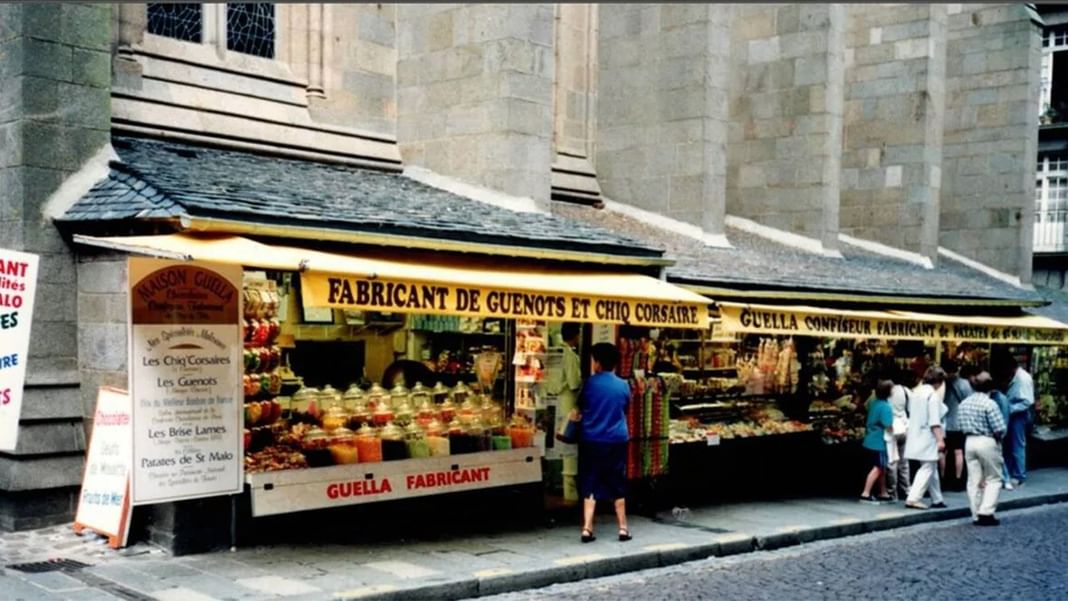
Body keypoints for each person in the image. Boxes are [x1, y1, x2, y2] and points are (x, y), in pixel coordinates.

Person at [577, 342, 631, 543]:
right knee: (617, 481)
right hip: (617, 439)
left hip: (592, 438)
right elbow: (625, 409)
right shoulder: (623, 385)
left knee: (590, 480)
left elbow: (582, 406)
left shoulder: (590, 384)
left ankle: (587, 528)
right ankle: (623, 528)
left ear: (598, 363)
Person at [959, 372, 1007, 526]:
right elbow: (999, 428)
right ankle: (986, 512)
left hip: (969, 441)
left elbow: (960, 425)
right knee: (994, 478)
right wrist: (999, 440)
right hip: (987, 440)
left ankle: (975, 513)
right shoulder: (990, 404)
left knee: (974, 480)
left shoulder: (964, 403)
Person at [547, 323, 583, 502]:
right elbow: (574, 382)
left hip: (551, 402)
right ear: (576, 335)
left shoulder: (552, 352)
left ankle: (553, 482)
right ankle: (569, 493)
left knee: (553, 444)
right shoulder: (570, 355)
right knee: (568, 444)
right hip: (567, 401)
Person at [904, 367, 948, 510]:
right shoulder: (932, 396)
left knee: (930, 466)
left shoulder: (916, 393)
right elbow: (934, 421)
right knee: (928, 467)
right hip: (927, 436)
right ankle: (913, 497)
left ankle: (937, 499)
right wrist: (940, 439)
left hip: (915, 433)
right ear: (940, 382)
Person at [860, 380, 895, 503]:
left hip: (870, 438)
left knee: (881, 467)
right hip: (879, 441)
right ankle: (866, 493)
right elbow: (888, 425)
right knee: (878, 468)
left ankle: (883, 492)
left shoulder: (873, 403)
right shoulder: (886, 407)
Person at [941, 361, 973, 491]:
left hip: (943, 422)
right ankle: (958, 480)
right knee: (958, 452)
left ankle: (942, 478)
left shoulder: (941, 384)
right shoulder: (965, 384)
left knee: (943, 452)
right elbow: (969, 401)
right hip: (959, 422)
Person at [1005, 358, 1035, 487]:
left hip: (1019, 415)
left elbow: (1027, 401)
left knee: (1018, 444)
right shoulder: (1018, 376)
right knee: (1014, 444)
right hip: (1016, 414)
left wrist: (1009, 409)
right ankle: (1014, 472)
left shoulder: (1022, 378)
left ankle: (1019, 475)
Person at [886, 370, 914, 501]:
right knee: (904, 462)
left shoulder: (886, 391)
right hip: (904, 427)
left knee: (892, 462)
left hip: (891, 428)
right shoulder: (906, 390)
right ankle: (907, 490)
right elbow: (912, 409)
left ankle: (892, 492)